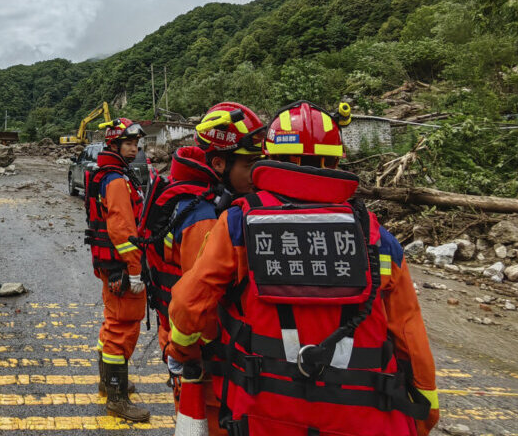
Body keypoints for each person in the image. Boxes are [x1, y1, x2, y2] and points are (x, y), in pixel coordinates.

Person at [166, 100, 439, 436]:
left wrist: (181, 351)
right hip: (363, 421)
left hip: (262, 415)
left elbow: (188, 306)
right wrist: (423, 416)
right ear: (336, 160)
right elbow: (410, 340)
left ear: (269, 158)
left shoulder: (238, 224)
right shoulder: (375, 237)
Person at [139, 103, 264, 434]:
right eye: (250, 164)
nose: (258, 174)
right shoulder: (203, 216)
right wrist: (187, 352)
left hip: (180, 340)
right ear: (219, 163)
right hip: (202, 357)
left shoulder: (189, 194)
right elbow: (198, 305)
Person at [84, 117, 149, 421]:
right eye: (128, 144)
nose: (134, 149)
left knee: (112, 323)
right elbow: (123, 230)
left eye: (136, 144)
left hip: (109, 265)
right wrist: (135, 269)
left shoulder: (106, 174)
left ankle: (108, 382)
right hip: (121, 268)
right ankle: (117, 398)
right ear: (114, 145)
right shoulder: (116, 180)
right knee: (122, 328)